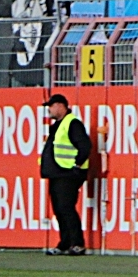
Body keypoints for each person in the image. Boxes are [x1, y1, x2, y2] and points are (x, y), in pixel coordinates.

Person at [41, 93, 91, 256]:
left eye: (51, 106)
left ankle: (77, 243)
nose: (49, 109)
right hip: (57, 173)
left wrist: (76, 165)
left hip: (68, 173)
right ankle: (65, 242)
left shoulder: (72, 123)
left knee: (66, 207)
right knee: (59, 209)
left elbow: (85, 145)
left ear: (61, 106)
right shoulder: (58, 125)